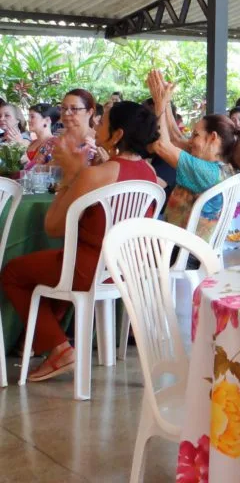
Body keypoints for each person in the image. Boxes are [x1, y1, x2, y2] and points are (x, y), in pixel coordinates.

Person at [1, 100, 160, 382]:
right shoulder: (150, 176)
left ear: (118, 134)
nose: (97, 123)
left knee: (13, 272)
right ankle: (45, 340)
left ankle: (58, 348)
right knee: (48, 270)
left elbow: (51, 227)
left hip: (87, 268)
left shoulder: (95, 174)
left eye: (104, 120)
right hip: (122, 270)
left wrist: (71, 176)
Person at [147, 70, 240, 242]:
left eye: (195, 135)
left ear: (213, 138)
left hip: (181, 250)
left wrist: (159, 106)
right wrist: (165, 101)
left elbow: (162, 145)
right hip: (186, 243)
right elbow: (176, 138)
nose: (190, 141)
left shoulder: (207, 172)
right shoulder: (220, 164)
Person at [29, 89, 98, 168]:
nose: (66, 113)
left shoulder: (98, 143)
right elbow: (33, 170)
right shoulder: (52, 142)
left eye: (74, 109)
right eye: (64, 108)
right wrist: (53, 164)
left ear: (89, 112)